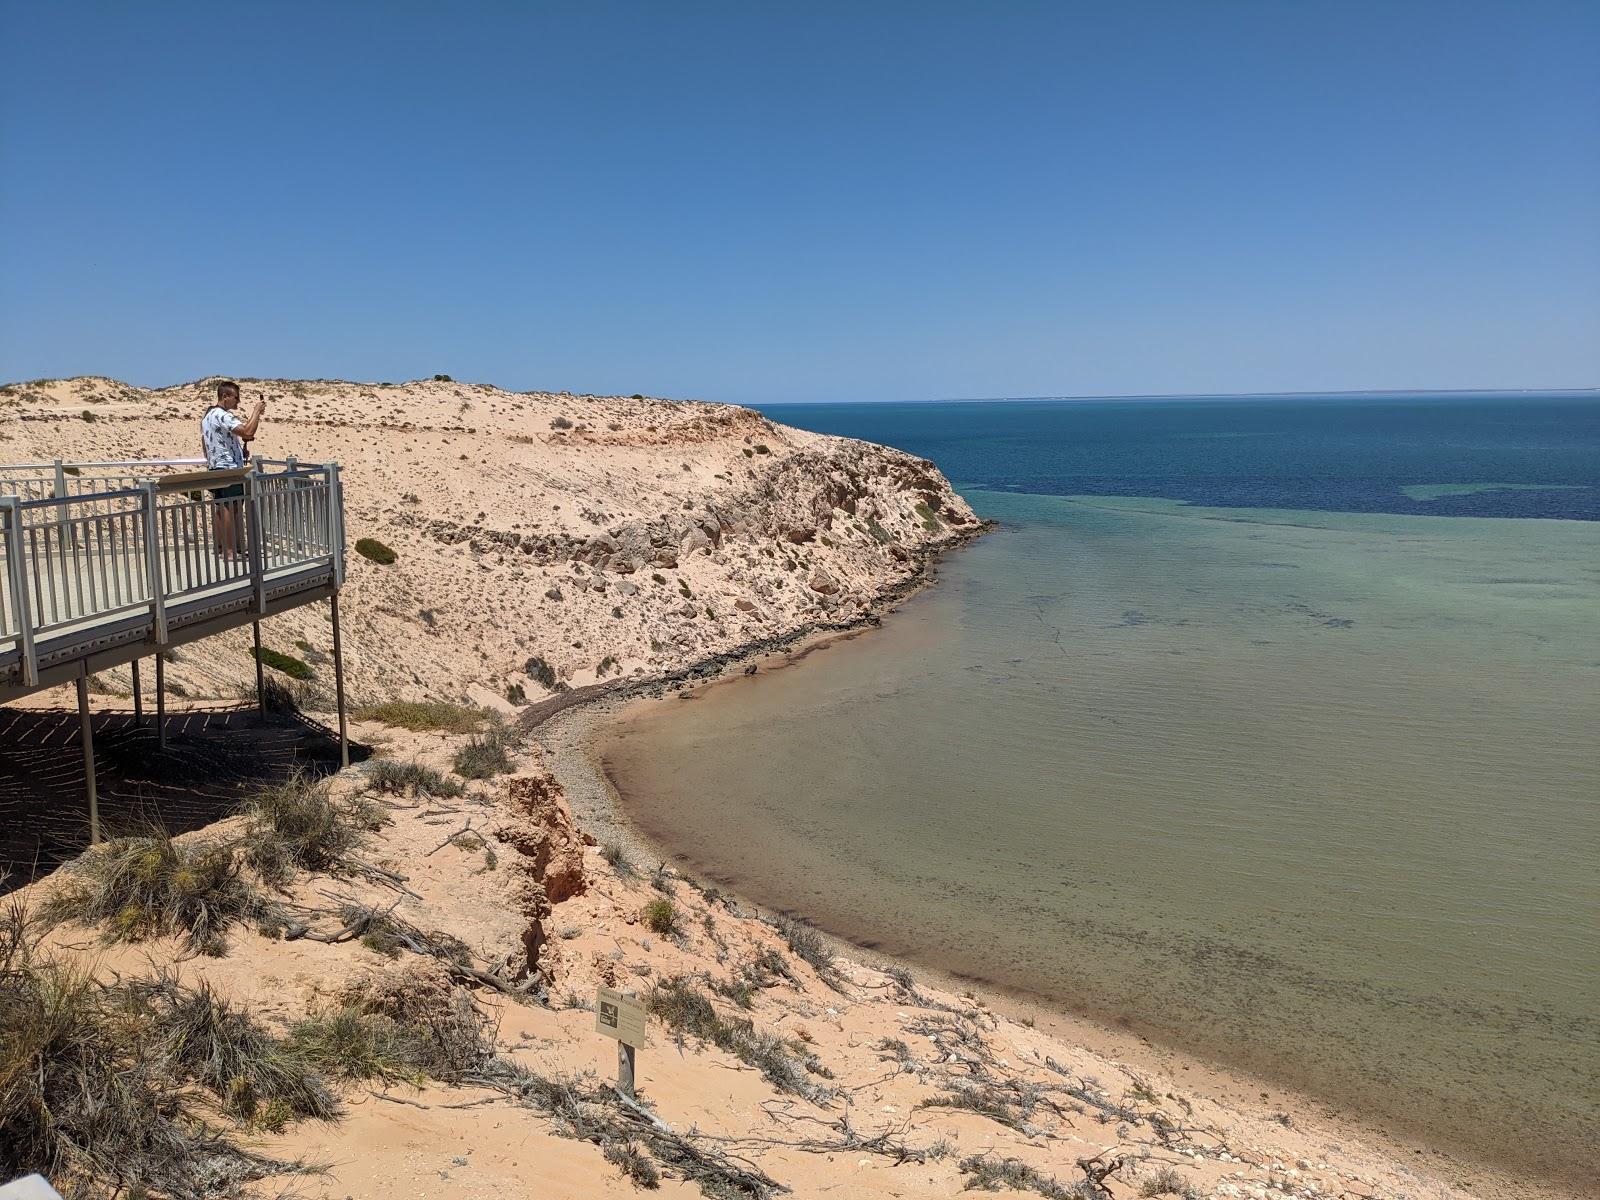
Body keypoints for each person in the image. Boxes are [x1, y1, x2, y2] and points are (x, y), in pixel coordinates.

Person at [200, 380, 265, 557]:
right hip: (229, 469)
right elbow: (247, 431)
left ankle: (222, 548)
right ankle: (230, 551)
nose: (238, 402)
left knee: (221, 508)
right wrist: (256, 411)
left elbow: (206, 446)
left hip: (215, 467)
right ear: (225, 396)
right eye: (236, 398)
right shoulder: (223, 415)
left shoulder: (208, 417)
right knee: (231, 507)